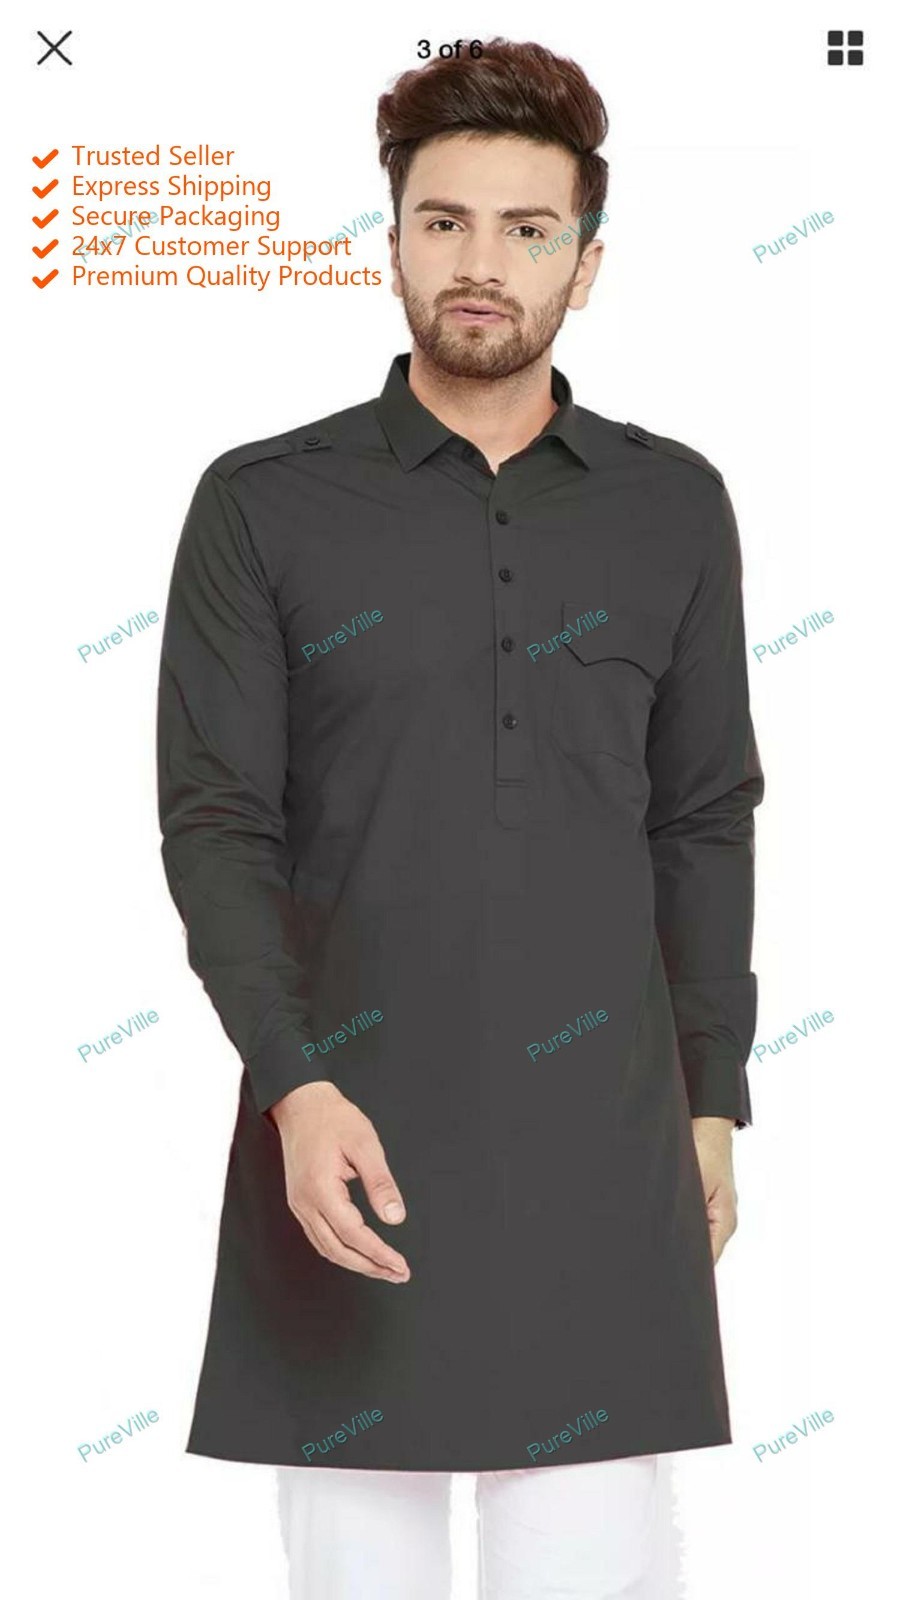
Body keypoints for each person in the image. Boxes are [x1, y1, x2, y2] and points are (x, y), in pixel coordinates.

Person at [156, 36, 763, 1600]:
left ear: (587, 262)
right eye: (445, 221)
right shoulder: (262, 503)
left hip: (607, 1156)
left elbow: (705, 816)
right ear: (395, 240)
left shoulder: (672, 506)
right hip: (344, 1151)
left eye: (526, 227)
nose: (480, 261)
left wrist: (712, 1098)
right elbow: (217, 823)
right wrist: (292, 1085)